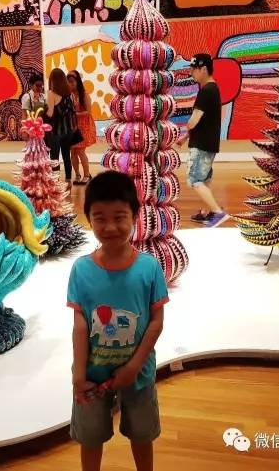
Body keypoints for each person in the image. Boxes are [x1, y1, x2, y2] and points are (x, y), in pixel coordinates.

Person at [68, 171, 168, 471]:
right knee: (90, 436)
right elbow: (80, 325)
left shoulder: (149, 268)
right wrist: (79, 374)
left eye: (119, 217)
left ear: (135, 216)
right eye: (100, 218)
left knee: (142, 434)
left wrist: (134, 366)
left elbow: (156, 321)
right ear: (88, 219)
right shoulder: (81, 269)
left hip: (139, 373)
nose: (110, 227)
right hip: (92, 374)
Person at [177, 53, 228, 227]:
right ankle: (206, 212)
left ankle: (218, 212)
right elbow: (202, 121)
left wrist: (185, 130)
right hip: (209, 143)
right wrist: (185, 137)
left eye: (194, 69)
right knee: (205, 179)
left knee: (195, 180)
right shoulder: (213, 89)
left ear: (204, 69)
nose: (191, 72)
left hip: (201, 145)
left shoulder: (206, 91)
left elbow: (194, 121)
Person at [46, 68, 77, 186]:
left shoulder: (51, 94)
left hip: (56, 131)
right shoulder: (70, 94)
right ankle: (68, 180)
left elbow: (50, 113)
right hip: (68, 130)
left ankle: (55, 182)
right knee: (66, 156)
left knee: (54, 157)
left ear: (53, 80)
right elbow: (72, 112)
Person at [68, 70, 95, 185]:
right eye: (68, 82)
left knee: (80, 151)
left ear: (78, 81)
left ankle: (87, 175)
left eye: (72, 81)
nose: (70, 84)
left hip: (84, 126)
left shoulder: (84, 95)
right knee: (73, 152)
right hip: (72, 126)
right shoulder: (69, 96)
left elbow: (88, 112)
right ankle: (78, 175)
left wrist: (74, 114)